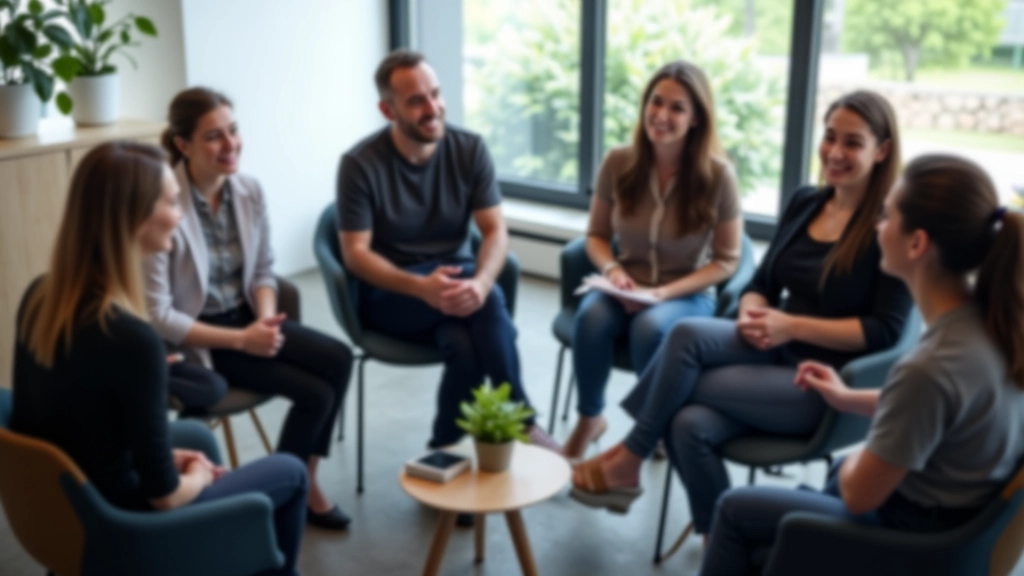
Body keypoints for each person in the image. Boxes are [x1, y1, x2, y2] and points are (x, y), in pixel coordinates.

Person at [570, 91, 913, 530]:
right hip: (773, 343)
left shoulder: (891, 224)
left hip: (825, 379)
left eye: (853, 143)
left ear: (882, 151)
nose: (835, 152)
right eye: (830, 137)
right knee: (685, 342)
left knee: (685, 410)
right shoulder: (807, 201)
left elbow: (886, 331)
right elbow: (762, 283)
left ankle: (631, 457)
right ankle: (723, 543)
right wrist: (753, 314)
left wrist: (791, 325)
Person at [701, 154, 1024, 575]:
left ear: (916, 244)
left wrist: (860, 455)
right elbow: (938, 411)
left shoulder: (930, 367)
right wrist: (848, 397)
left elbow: (859, 495)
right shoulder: (995, 325)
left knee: (735, 508)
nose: (876, 225)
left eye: (887, 215)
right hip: (954, 525)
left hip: (910, 540)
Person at [11, 142, 308, 576]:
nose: (181, 213)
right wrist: (200, 479)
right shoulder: (133, 340)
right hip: (129, 530)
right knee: (290, 471)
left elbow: (77, 424)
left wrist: (168, 460)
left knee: (198, 440)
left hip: (69, 507)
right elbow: (164, 498)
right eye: (172, 202)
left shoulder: (41, 297)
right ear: (132, 218)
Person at [145, 87, 354, 530]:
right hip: (200, 340)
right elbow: (159, 313)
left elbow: (264, 271)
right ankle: (288, 494)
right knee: (315, 393)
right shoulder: (162, 203)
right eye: (214, 137)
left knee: (337, 358)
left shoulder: (249, 190)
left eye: (234, 131)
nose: (231, 145)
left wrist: (264, 320)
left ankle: (303, 481)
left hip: (246, 320)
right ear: (183, 145)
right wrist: (243, 340)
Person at [336, 49, 558, 452]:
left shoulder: (469, 149)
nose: (432, 107)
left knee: (465, 342)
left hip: (456, 283)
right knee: (489, 308)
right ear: (388, 110)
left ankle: (443, 453)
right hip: (392, 296)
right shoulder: (359, 164)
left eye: (435, 94)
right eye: (416, 100)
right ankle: (522, 417)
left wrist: (483, 281)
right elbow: (355, 254)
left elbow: (494, 229)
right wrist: (420, 287)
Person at [564, 60, 742, 460]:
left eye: (677, 108)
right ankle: (590, 418)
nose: (661, 115)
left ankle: (650, 427)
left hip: (686, 293)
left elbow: (728, 260)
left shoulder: (718, 176)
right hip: (625, 281)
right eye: (655, 102)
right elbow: (595, 236)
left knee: (649, 328)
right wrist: (612, 270)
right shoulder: (618, 162)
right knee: (590, 318)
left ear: (696, 118)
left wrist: (664, 293)